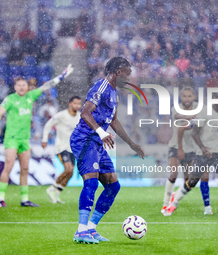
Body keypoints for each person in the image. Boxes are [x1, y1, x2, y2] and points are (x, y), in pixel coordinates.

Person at [70, 57, 145, 244]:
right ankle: (80, 231)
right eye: (127, 75)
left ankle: (91, 228)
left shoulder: (114, 93)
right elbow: (85, 112)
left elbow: (114, 121)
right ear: (118, 72)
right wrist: (101, 132)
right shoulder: (101, 87)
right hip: (85, 139)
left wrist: (131, 144)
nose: (129, 79)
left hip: (97, 141)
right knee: (92, 183)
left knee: (113, 185)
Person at [0, 64, 74, 207]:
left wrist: (61, 76)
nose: (21, 87)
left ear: (27, 87)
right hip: (11, 139)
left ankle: (24, 199)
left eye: (23, 85)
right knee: (8, 167)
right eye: (18, 85)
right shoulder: (10, 99)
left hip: (25, 140)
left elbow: (47, 86)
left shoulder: (31, 96)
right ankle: (0, 199)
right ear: (15, 87)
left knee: (25, 169)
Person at [164, 93, 218, 217]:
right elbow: (195, 132)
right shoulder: (205, 112)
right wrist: (202, 148)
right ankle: (174, 203)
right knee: (192, 182)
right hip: (204, 153)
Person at [162, 86, 213, 215]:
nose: (187, 99)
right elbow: (181, 117)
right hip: (175, 146)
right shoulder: (175, 109)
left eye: (189, 96)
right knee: (173, 174)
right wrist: (197, 117)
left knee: (189, 179)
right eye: (184, 96)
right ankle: (165, 204)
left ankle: (175, 196)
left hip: (191, 149)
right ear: (181, 97)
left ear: (194, 97)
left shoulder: (200, 108)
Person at [43, 96, 82, 203]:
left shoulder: (80, 117)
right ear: (70, 104)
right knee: (68, 169)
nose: (77, 106)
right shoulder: (61, 115)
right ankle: (51, 188)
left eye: (79, 104)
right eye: (75, 103)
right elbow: (48, 125)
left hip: (73, 149)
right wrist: (45, 139)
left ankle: (56, 194)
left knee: (70, 173)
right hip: (61, 147)